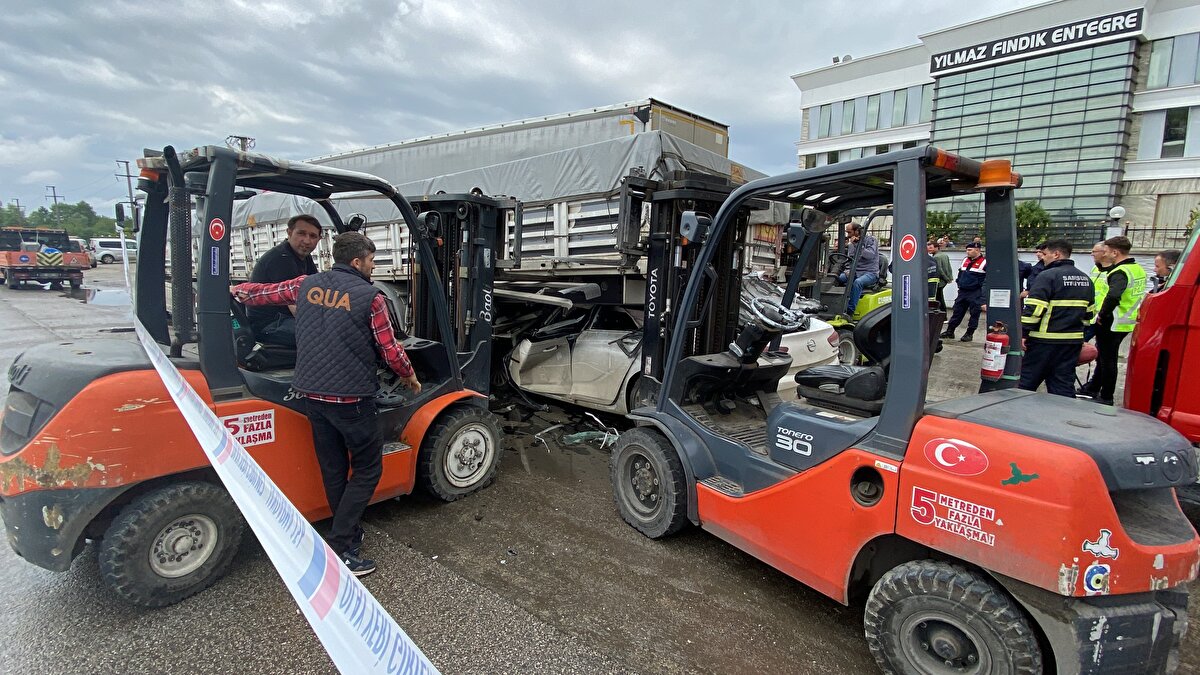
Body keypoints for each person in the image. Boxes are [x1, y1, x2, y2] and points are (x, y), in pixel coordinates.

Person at [232, 232, 421, 577]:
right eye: (371, 260)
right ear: (356, 262)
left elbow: (259, 294)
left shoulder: (306, 284)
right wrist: (408, 375)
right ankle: (342, 547)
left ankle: (344, 533)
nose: (372, 266)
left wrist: (230, 291)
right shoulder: (370, 297)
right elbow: (390, 349)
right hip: (351, 399)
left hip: (312, 396)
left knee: (333, 468)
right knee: (367, 469)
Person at [1018, 239, 1094, 397]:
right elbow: (1089, 315)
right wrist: (1082, 337)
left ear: (1056, 254)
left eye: (1045, 254)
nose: (1042, 258)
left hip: (1043, 342)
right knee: (1062, 385)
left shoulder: (1047, 276)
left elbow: (1034, 310)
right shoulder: (1086, 279)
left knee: (1025, 383)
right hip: (1071, 343)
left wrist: (1023, 334)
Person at [246, 214, 322, 347]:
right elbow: (296, 307)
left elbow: (317, 291)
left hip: (285, 319)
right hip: (270, 324)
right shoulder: (281, 258)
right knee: (324, 337)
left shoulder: (304, 257)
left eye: (313, 236)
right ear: (289, 232)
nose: (307, 241)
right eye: (301, 234)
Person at [1088, 236, 1147, 406]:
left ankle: (1106, 396)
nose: (1104, 254)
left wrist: (1102, 315)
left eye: (1106, 251)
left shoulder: (1120, 272)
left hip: (1113, 321)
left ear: (1115, 252)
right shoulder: (1137, 269)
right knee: (1106, 358)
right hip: (1125, 321)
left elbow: (1113, 295)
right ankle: (1094, 387)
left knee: (1108, 360)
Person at [940, 242, 987, 342]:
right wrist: (959, 283)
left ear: (977, 250)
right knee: (957, 311)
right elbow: (961, 273)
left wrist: (982, 298)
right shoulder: (965, 260)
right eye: (967, 250)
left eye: (970, 250)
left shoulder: (984, 262)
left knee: (974, 313)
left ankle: (969, 334)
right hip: (963, 291)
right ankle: (950, 331)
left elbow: (986, 281)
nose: (967, 252)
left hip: (975, 292)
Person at [835, 221, 880, 316]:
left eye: (849, 232)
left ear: (857, 231)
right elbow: (850, 259)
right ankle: (836, 306)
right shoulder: (852, 244)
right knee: (837, 278)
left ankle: (850, 311)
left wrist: (858, 245)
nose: (848, 235)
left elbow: (870, 255)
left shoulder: (871, 240)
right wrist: (848, 270)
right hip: (856, 271)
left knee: (858, 282)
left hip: (870, 273)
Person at [929, 239, 953, 311]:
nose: (929, 249)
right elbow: (948, 267)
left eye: (931, 248)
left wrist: (946, 278)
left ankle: (942, 314)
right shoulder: (944, 255)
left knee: (938, 298)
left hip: (940, 281)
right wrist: (950, 277)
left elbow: (939, 269)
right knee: (940, 297)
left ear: (936, 247)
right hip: (945, 280)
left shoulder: (936, 257)